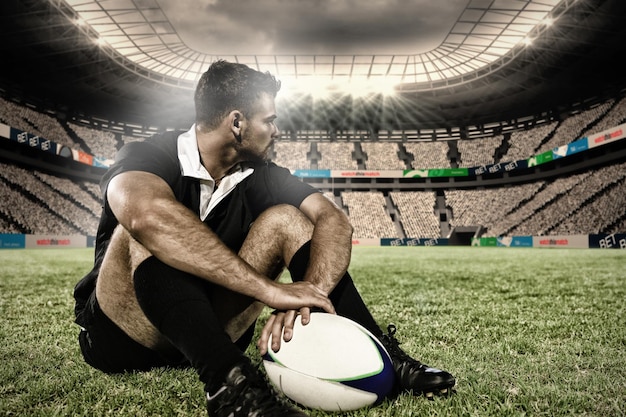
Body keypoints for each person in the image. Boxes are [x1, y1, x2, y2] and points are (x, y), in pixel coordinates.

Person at [73, 59, 455, 417]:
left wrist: (310, 291)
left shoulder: (260, 174)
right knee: (149, 226)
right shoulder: (149, 153)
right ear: (237, 123)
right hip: (123, 337)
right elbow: (145, 215)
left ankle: (385, 354)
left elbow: (334, 220)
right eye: (269, 120)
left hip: (209, 323)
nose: (276, 130)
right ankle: (232, 387)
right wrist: (270, 290)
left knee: (287, 219)